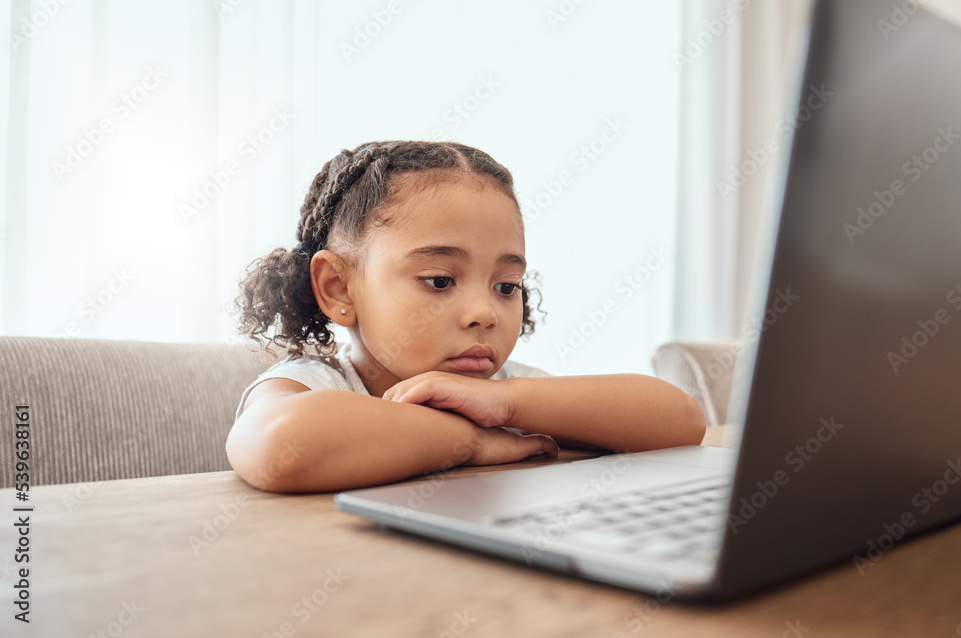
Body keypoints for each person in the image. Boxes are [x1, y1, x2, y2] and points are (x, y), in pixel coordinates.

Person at [227, 140, 706, 493]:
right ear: (338, 288)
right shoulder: (315, 383)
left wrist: (508, 405)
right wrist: (472, 442)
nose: (484, 313)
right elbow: (276, 446)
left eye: (505, 287)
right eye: (439, 280)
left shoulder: (509, 395)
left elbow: (682, 421)